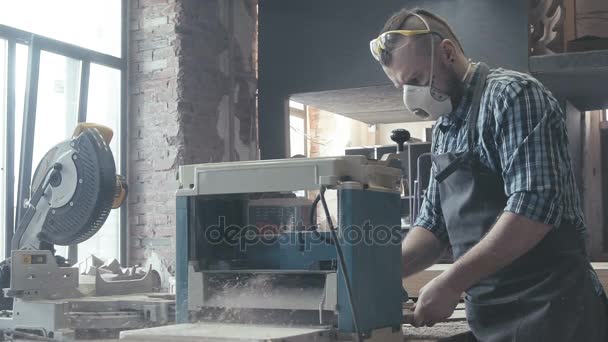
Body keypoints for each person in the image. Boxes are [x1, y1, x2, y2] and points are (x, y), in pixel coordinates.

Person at [369, 8, 608, 341]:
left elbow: (534, 207)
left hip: (553, 309)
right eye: (401, 86)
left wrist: (452, 281)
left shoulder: (513, 96)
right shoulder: (443, 128)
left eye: (416, 80)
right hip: (492, 314)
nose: (411, 96)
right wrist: (378, 275)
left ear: (448, 53)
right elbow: (433, 224)